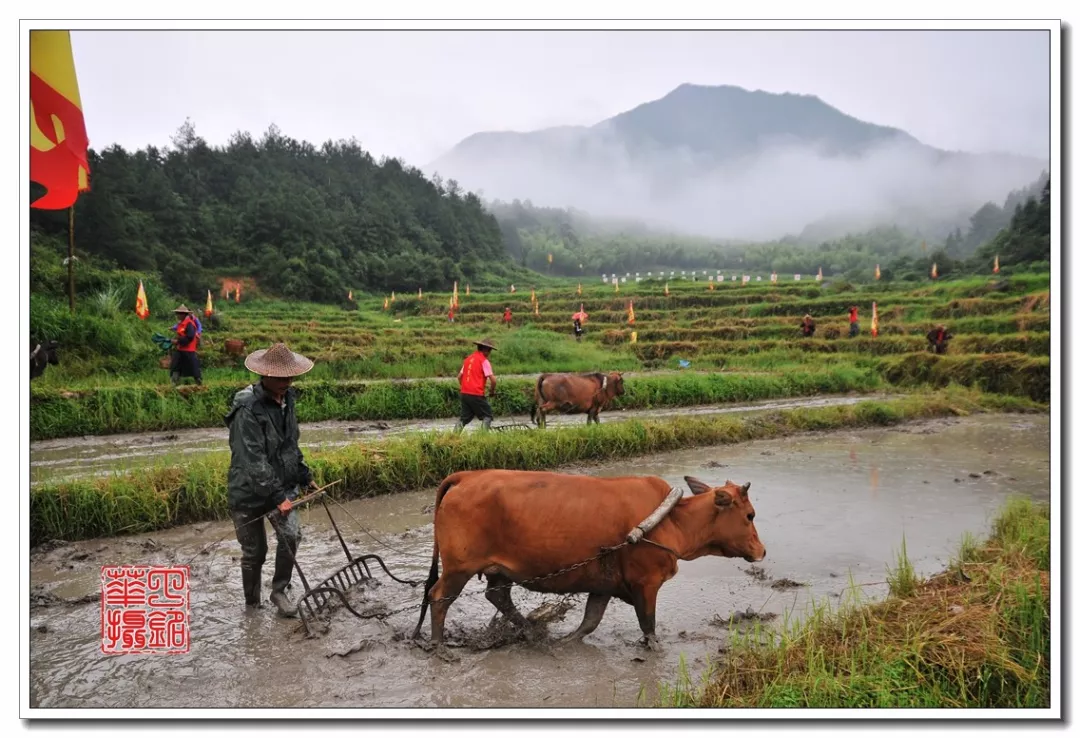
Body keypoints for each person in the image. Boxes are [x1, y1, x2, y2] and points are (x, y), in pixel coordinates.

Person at [225, 343, 319, 618]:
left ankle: (279, 589)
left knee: (291, 535)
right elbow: (252, 459)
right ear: (264, 376)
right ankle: (251, 606)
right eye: (280, 378)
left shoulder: (287, 399)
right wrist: (278, 497)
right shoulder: (246, 408)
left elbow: (290, 444)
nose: (286, 383)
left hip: (281, 483)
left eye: (290, 378)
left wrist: (304, 475)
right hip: (248, 490)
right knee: (255, 552)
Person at [454, 338, 497, 432]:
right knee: (488, 415)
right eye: (489, 350)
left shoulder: (468, 360)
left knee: (464, 418)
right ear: (485, 349)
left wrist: (466, 386)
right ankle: (482, 437)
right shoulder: (484, 361)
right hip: (476, 394)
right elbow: (493, 381)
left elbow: (459, 377)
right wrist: (492, 392)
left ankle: (453, 437)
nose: (489, 353)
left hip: (464, 393)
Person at [170, 305, 202, 385]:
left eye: (179, 314)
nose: (177, 315)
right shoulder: (181, 324)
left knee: (193, 366)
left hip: (188, 349)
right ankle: (174, 381)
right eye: (177, 313)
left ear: (183, 314)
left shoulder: (189, 324)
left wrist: (178, 341)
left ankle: (198, 380)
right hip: (180, 348)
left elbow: (190, 336)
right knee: (175, 364)